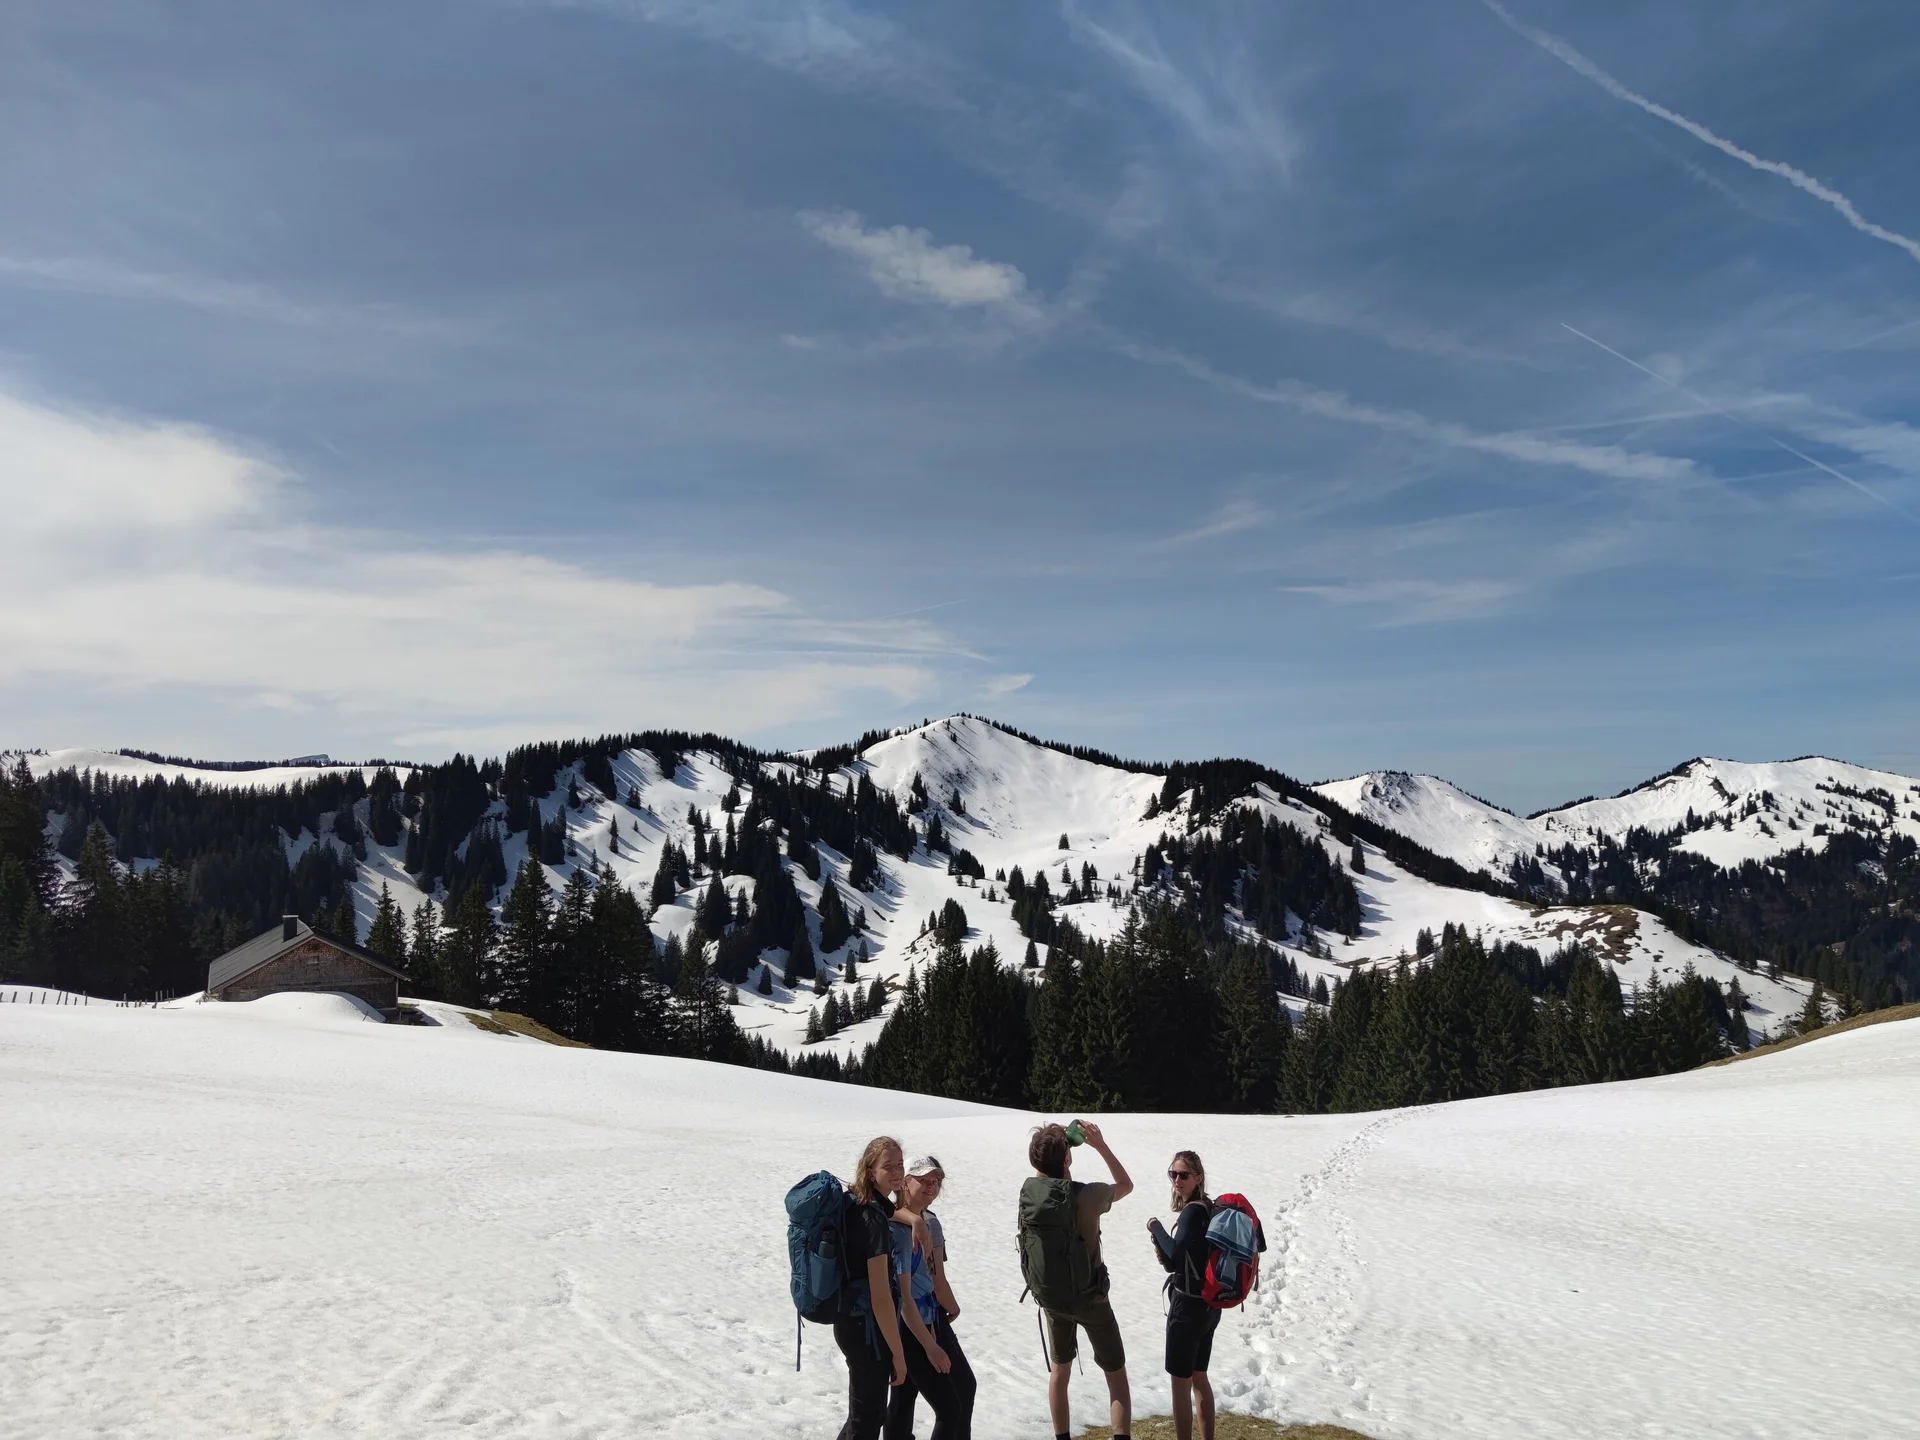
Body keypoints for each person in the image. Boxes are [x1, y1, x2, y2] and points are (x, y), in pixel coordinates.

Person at [1021, 1119, 1134, 1440]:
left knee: (1060, 1371)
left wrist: (1055, 1149)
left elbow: (1048, 1171)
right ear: (1067, 1158)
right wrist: (1100, 1145)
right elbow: (1125, 1184)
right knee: (1115, 1374)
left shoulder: (1030, 1193)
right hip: (1091, 1297)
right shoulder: (1089, 1195)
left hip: (1052, 1298)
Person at [1147, 1150, 1259, 1440]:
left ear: (1198, 1177)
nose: (1177, 1180)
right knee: (1199, 1377)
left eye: (1184, 1175)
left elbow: (1175, 1256)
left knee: (1180, 1384)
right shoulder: (1209, 1208)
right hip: (1209, 1306)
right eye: (1173, 1174)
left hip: (1187, 1307)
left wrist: (1155, 1227)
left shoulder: (1192, 1212)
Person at [885, 1154, 974, 1440]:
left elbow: (935, 1277)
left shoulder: (928, 1223)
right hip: (909, 1322)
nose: (931, 1186)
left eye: (935, 1181)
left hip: (926, 1315)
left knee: (905, 1397)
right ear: (905, 1182)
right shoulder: (896, 1228)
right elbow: (915, 1288)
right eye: (923, 1180)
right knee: (953, 1403)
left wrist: (950, 1308)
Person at [837, 1136, 912, 1440]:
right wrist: (898, 1353)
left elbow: (894, 1211)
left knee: (865, 1416)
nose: (897, 1172)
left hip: (854, 1321)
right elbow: (881, 1297)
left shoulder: (860, 1204)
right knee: (867, 1422)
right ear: (870, 1172)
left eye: (900, 1165)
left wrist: (916, 1221)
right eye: (888, 1166)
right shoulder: (872, 1220)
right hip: (866, 1328)